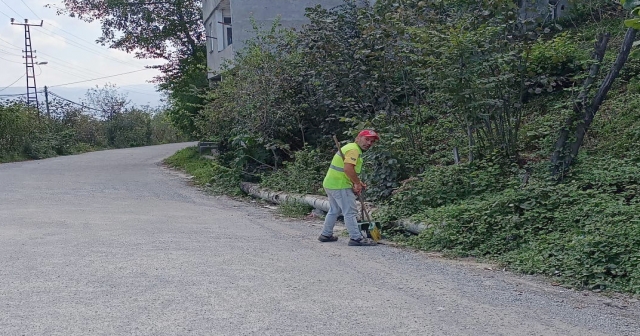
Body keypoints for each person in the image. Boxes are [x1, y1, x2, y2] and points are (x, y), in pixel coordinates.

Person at [318, 130, 380, 246]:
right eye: (367, 139)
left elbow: (347, 170)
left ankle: (325, 235)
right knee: (350, 212)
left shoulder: (350, 147)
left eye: (372, 141)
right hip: (340, 185)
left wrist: (358, 182)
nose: (369, 143)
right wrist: (356, 183)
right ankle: (356, 238)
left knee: (334, 210)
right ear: (358, 138)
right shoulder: (354, 150)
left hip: (331, 183)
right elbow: (348, 169)